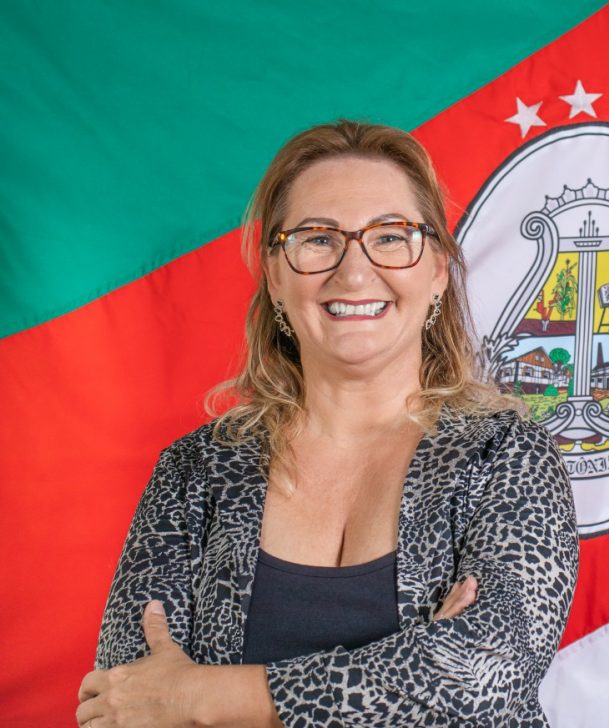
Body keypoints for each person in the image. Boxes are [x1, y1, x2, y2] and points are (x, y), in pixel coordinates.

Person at [76, 120, 579, 727]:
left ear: (438, 270)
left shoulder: (505, 455)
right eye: (317, 239)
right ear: (275, 275)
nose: (354, 272)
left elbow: (480, 678)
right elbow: (123, 704)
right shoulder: (195, 471)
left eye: (390, 236)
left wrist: (201, 697)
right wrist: (411, 680)